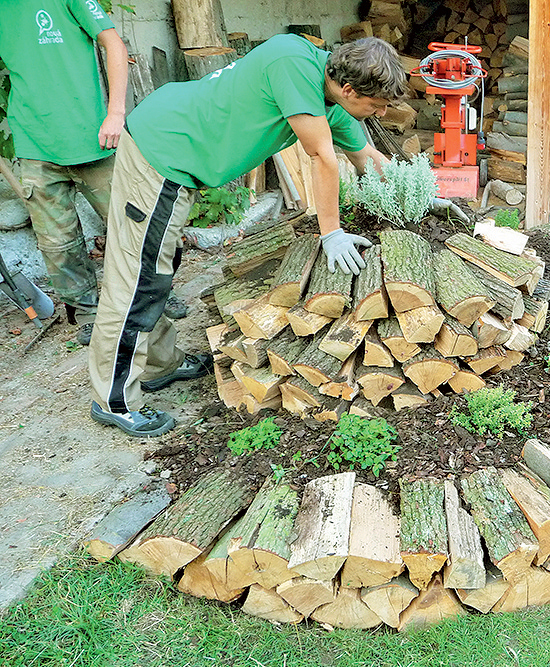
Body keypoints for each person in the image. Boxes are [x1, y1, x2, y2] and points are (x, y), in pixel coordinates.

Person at [88, 35, 409, 437]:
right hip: (162, 150)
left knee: (158, 264)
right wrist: (332, 234)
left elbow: (369, 158)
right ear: (349, 88)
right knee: (137, 276)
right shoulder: (293, 66)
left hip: (177, 151)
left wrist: (423, 198)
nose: (378, 112)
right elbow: (323, 158)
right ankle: (114, 399)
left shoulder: (329, 96)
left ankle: (159, 364)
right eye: (376, 104)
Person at [0, 0, 126, 345]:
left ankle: (153, 300)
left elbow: (113, 42)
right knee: (58, 244)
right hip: (34, 142)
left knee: (135, 227)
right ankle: (87, 313)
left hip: (93, 137)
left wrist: (116, 111)